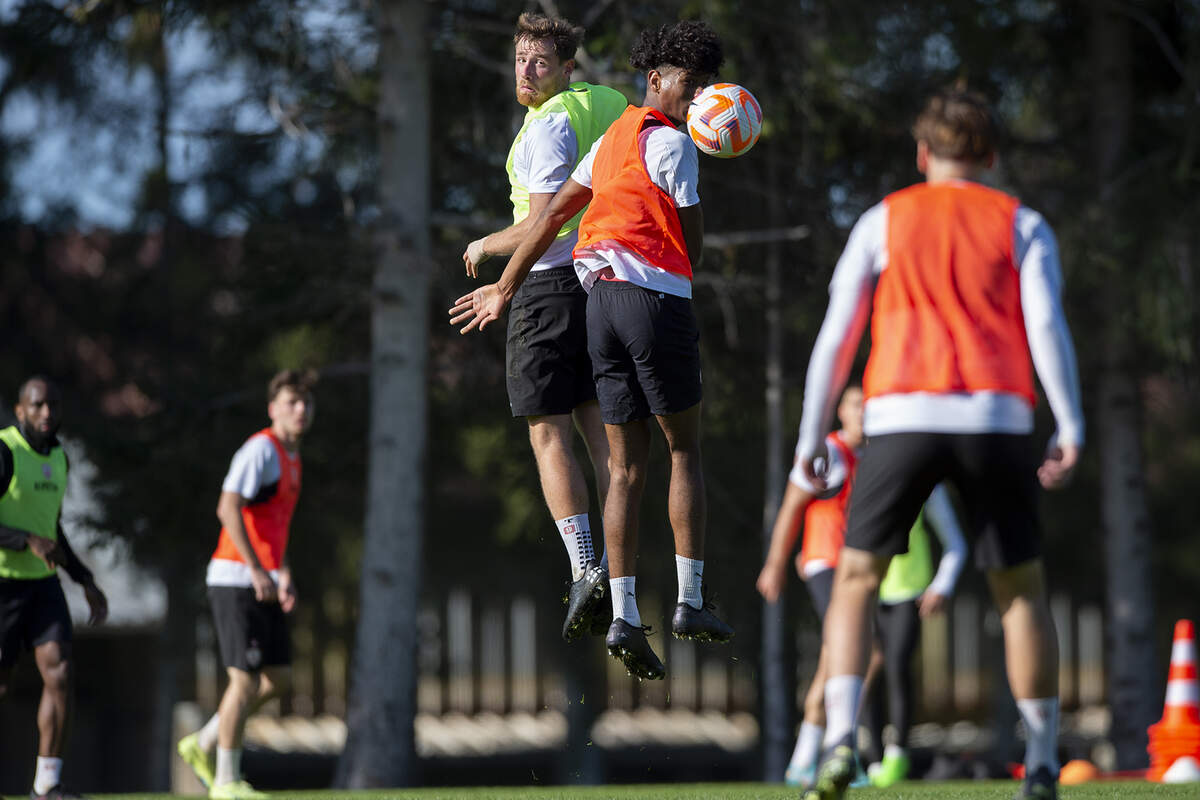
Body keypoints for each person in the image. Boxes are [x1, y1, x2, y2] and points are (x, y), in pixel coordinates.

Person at [793, 89, 1083, 800]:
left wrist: (810, 436)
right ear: (989, 158)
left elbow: (838, 334)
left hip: (899, 416)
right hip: (997, 418)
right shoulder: (1023, 222)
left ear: (923, 155)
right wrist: (1069, 423)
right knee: (1019, 592)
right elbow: (1046, 326)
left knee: (855, 582)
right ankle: (1042, 763)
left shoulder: (881, 220)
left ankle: (838, 746)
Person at [450, 20, 730, 681]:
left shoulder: (608, 139)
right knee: (683, 448)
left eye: (702, 90)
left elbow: (549, 218)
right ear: (656, 79)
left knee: (624, 465)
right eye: (690, 87)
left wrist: (503, 287)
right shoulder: (673, 145)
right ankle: (690, 600)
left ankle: (626, 614)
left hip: (597, 302)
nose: (695, 103)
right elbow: (692, 244)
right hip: (647, 299)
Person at [459, 12, 628, 642]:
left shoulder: (550, 123)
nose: (526, 72)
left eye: (540, 62)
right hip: (598, 286)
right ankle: (619, 566)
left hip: (549, 291)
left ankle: (587, 566)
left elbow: (546, 223)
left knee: (547, 433)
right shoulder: (607, 103)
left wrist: (486, 248)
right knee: (598, 430)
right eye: (520, 59)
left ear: (565, 69)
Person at [757, 386, 966, 789]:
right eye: (856, 405)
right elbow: (791, 506)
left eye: (868, 407)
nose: (864, 414)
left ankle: (808, 757)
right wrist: (776, 563)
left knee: (836, 658)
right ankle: (834, 750)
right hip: (825, 565)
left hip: (850, 571)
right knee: (862, 654)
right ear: (839, 412)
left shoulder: (871, 457)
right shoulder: (829, 453)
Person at [177, 369, 316, 800]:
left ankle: (202, 742)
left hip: (264, 580)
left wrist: (283, 571)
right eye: (292, 401)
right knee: (245, 681)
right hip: (235, 579)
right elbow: (227, 507)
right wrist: (257, 570)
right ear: (273, 409)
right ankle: (225, 781)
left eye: (306, 402)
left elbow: (275, 527)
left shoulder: (293, 457)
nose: (301, 409)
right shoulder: (261, 449)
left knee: (278, 678)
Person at [0, 376, 108, 800]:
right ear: (21, 409)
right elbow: (34, 535)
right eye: (38, 405)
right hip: (3, 584)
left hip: (42, 585)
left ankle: (47, 785)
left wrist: (85, 579)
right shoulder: (6, 450)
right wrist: (25, 540)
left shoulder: (60, 458)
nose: (47, 413)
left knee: (60, 672)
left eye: (53, 405)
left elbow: (51, 529)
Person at [862, 484, 967, 788]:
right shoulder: (863, 476)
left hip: (909, 593)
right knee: (868, 670)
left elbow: (956, 544)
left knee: (896, 665)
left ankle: (897, 754)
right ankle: (873, 760)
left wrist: (941, 586)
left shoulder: (929, 489)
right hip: (868, 593)